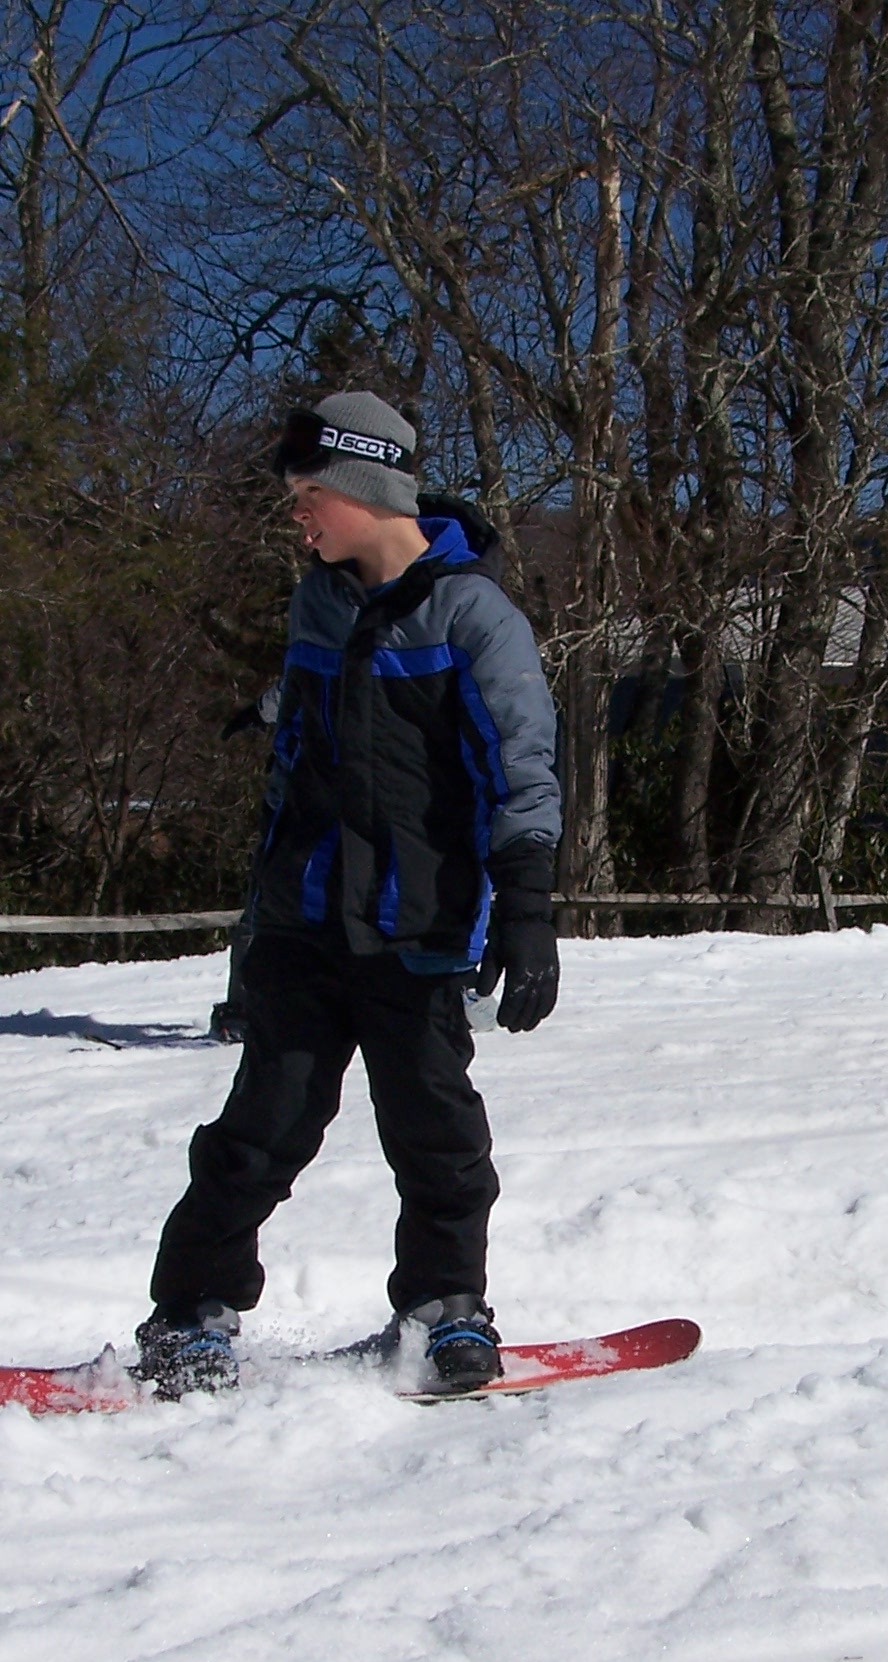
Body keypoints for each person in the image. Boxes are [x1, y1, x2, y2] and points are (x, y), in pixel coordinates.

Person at [136, 392, 561, 1396]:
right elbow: (306, 732)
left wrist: (529, 911)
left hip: (415, 929)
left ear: (365, 490)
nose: (297, 515)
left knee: (438, 1138)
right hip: (305, 921)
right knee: (255, 1134)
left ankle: (445, 1308)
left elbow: (521, 766)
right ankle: (189, 1314)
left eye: (307, 494)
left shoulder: (470, 616)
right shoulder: (316, 600)